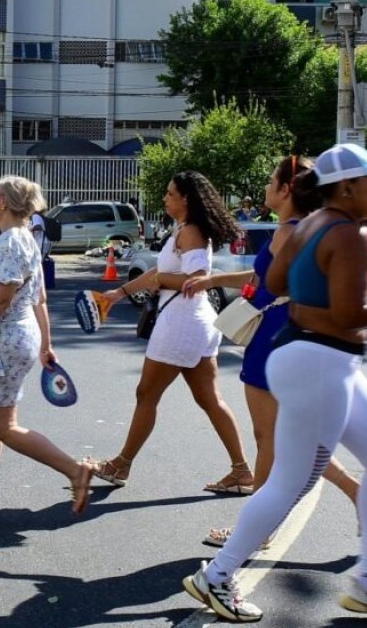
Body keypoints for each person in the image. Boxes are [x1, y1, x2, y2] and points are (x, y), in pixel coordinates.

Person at [184, 143, 367, 623]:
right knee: (290, 481)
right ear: (346, 187)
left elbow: (274, 282)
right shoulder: (348, 236)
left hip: (313, 359)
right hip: (320, 362)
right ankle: (216, 576)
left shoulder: (305, 228)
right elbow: (348, 314)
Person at [183, 157, 362, 550]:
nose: (265, 188)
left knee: (269, 438)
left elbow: (270, 284)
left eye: (270, 181)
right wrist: (214, 279)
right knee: (293, 435)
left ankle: (255, 528)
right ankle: (355, 491)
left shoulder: (288, 231)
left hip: (274, 338)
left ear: (285, 190)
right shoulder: (305, 228)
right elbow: (265, 279)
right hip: (293, 333)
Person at [89, 171, 255, 494]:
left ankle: (121, 464)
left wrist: (162, 282)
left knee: (146, 394)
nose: (164, 198)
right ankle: (242, 471)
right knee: (209, 399)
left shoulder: (191, 232)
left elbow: (197, 279)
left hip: (182, 323)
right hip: (194, 323)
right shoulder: (182, 230)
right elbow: (159, 272)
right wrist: (119, 293)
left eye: (170, 194)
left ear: (186, 200)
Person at [0, 175, 94, 515]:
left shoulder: (10, 243)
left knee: (2, 425)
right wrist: (46, 343)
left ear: (5, 203)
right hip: (13, 341)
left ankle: (75, 471)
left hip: (5, 343)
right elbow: (39, 297)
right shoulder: (24, 240)